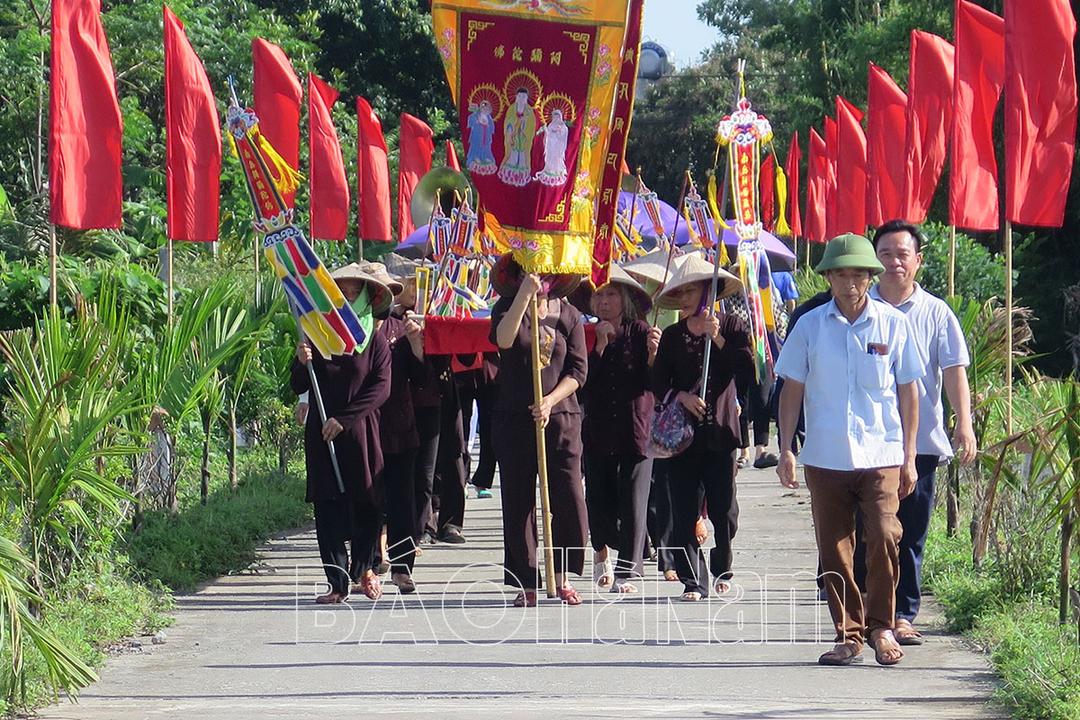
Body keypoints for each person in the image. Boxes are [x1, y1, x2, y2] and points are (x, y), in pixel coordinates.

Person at [775, 234, 924, 666]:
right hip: (825, 456)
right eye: (841, 274)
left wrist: (910, 455)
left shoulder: (893, 325)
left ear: (869, 277)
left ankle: (881, 627)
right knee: (834, 548)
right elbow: (792, 390)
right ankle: (849, 634)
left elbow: (909, 393)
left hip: (882, 455)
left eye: (858, 274)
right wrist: (786, 447)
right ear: (828, 277)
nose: (850, 283)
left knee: (883, 536)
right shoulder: (810, 326)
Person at [852, 220, 976, 645]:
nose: (893, 262)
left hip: (920, 444)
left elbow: (954, 371)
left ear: (918, 261)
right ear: (873, 260)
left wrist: (965, 424)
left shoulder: (936, 312)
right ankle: (867, 612)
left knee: (911, 533)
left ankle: (903, 614)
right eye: (885, 254)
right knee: (869, 531)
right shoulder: (858, 313)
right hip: (868, 443)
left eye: (902, 254)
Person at [651, 254, 752, 601]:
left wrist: (719, 338)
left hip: (720, 432)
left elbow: (747, 371)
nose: (686, 299)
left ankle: (722, 562)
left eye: (692, 291)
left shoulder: (733, 326)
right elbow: (657, 381)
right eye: (682, 293)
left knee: (724, 509)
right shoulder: (672, 335)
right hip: (682, 437)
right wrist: (680, 396)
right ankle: (694, 580)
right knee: (682, 509)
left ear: (709, 291)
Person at [490, 254, 589, 606]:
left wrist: (550, 400)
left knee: (568, 497)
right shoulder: (505, 307)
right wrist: (523, 297)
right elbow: (502, 340)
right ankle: (527, 581)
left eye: (543, 273)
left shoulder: (569, 314)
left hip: (560, 418)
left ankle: (560, 575)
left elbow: (578, 371)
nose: (538, 278)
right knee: (519, 501)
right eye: (528, 272)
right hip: (515, 418)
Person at [291, 263, 392, 604]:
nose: (347, 296)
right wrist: (300, 360)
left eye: (354, 290)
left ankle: (365, 567)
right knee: (328, 505)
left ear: (366, 295)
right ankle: (337, 583)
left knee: (367, 500)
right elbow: (298, 384)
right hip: (322, 432)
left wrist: (345, 419)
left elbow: (381, 387)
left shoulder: (374, 340)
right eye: (341, 290)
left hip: (361, 429)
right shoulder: (317, 336)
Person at [582, 266, 662, 593]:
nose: (604, 302)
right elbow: (581, 383)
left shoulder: (641, 332)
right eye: (599, 295)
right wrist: (598, 347)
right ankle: (601, 552)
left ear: (625, 298)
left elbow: (656, 381)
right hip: (598, 427)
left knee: (634, 499)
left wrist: (656, 354)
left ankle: (631, 570)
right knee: (597, 499)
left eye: (611, 294)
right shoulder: (584, 334)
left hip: (636, 427)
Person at [372, 263, 426, 594]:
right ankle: (366, 561)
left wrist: (418, 345)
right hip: (361, 425)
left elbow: (421, 379)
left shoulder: (400, 327)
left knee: (402, 499)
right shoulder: (349, 329)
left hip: (399, 424)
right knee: (366, 496)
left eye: (383, 291)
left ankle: (402, 566)